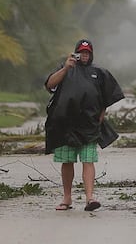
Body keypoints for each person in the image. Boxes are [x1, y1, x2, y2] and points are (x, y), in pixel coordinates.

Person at [43, 38, 123, 211]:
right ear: (76, 53)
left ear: (91, 54)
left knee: (88, 160)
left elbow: (107, 97)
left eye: (87, 53)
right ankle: (67, 198)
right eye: (81, 53)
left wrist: (101, 116)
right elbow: (50, 85)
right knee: (67, 161)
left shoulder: (99, 73)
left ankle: (90, 198)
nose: (84, 56)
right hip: (65, 125)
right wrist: (66, 68)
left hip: (89, 126)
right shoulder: (66, 69)